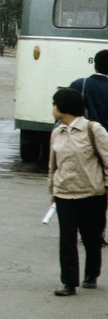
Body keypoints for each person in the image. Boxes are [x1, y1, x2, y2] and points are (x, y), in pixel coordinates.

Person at [48, 86, 108, 296]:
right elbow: (53, 165)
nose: (53, 108)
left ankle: (91, 275)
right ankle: (69, 282)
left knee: (91, 238)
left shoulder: (93, 130)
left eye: (55, 104)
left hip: (92, 194)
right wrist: (52, 191)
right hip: (65, 193)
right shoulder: (57, 132)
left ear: (64, 107)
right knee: (67, 239)